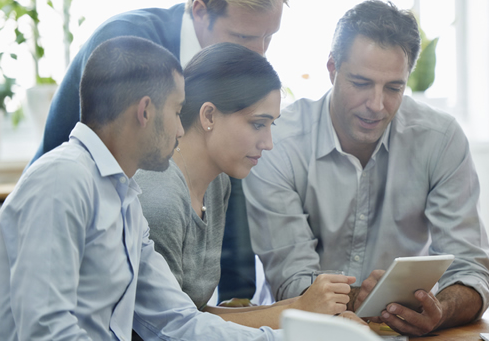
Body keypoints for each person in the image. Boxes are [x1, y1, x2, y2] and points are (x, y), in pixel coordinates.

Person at [0, 36, 281, 341]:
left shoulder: (124, 198)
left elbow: (177, 320)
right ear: (145, 112)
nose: (181, 130)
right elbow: (45, 331)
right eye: (178, 111)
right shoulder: (63, 180)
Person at [243, 0, 489, 336]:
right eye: (361, 83)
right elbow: (294, 282)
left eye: (394, 87)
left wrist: (439, 309)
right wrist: (366, 298)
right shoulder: (278, 143)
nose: (377, 105)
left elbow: (471, 271)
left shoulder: (440, 139)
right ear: (332, 69)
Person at [29, 0, 287, 302]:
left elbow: (224, 167)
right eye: (244, 36)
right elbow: (89, 158)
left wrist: (239, 298)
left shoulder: (220, 91)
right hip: (68, 229)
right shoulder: (128, 46)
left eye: (270, 37)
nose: (259, 54)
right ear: (201, 13)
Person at [133, 42, 358, 328]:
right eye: (257, 124)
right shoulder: (161, 198)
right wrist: (302, 311)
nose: (268, 143)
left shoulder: (217, 183)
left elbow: (194, 313)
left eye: (271, 126)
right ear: (209, 116)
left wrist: (310, 311)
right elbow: (169, 331)